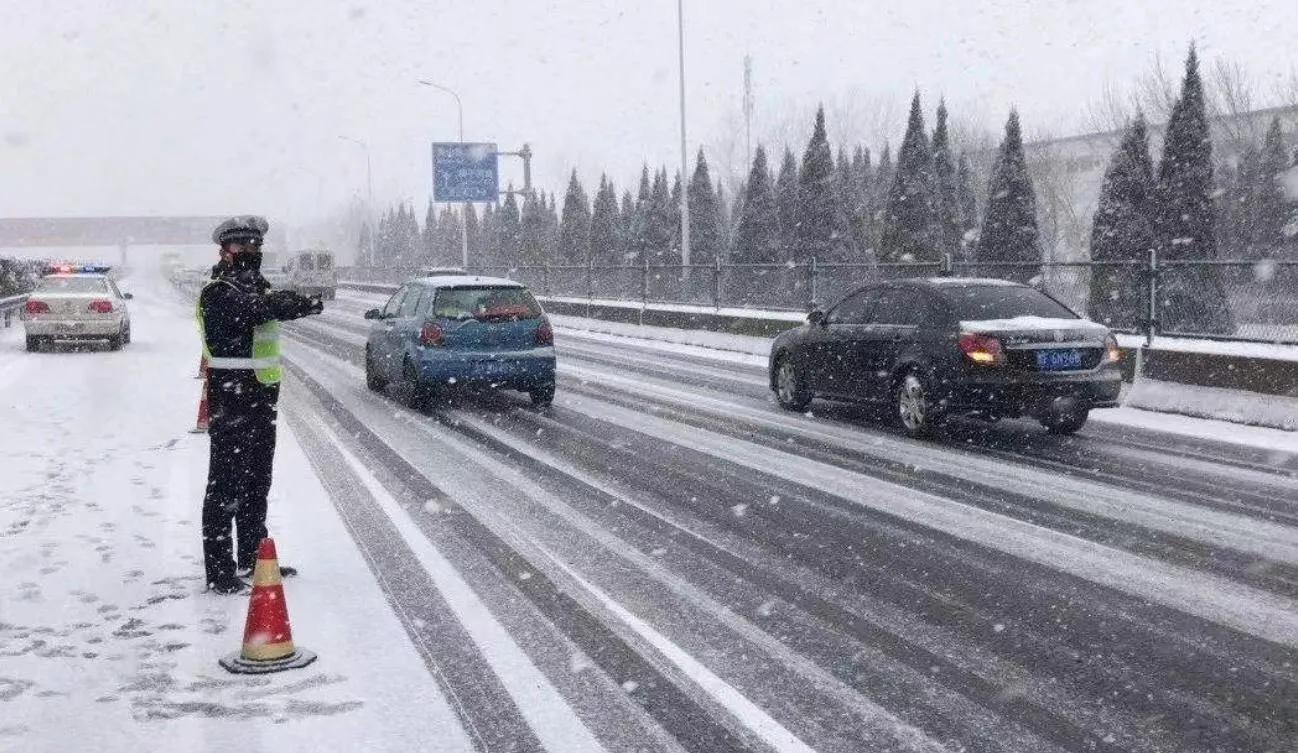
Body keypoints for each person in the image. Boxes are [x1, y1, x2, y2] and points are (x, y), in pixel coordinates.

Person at [198, 216, 323, 594]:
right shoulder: (218, 290)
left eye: (254, 245)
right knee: (225, 487)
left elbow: (262, 306)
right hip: (230, 396)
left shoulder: (259, 288)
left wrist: (286, 302)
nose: (250, 251)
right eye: (241, 246)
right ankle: (220, 572)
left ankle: (254, 558)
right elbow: (251, 311)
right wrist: (290, 302)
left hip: (261, 397)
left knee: (256, 483)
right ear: (224, 251)